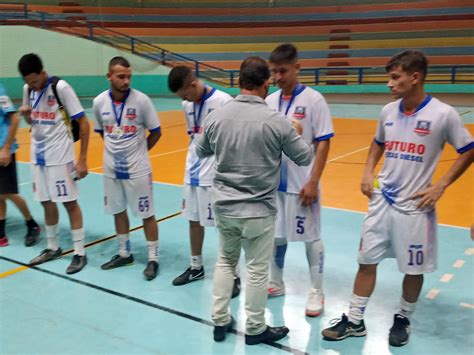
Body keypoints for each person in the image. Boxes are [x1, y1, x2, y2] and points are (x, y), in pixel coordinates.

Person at [322, 49, 474, 347]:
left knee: (412, 269)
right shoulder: (388, 112)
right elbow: (377, 143)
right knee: (366, 261)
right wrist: (367, 172)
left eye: (395, 77)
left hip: (416, 208)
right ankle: (354, 320)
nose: (389, 84)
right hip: (382, 202)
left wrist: (441, 185)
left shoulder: (442, 114)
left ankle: (403, 317)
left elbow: (468, 149)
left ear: (415, 77)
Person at [196, 56, 314, 345]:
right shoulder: (277, 121)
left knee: (225, 261)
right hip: (258, 209)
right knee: (258, 269)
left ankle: (220, 320)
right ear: (266, 84)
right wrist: (296, 132)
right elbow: (305, 157)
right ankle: (255, 327)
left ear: (239, 82)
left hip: (224, 205)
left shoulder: (217, 116)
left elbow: (201, 151)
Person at [265, 43, 334, 317]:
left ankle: (317, 291)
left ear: (297, 68)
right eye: (274, 72)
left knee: (311, 237)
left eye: (283, 71)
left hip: (302, 184)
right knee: (276, 236)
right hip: (274, 185)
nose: (279, 77)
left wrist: (313, 181)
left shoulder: (314, 100)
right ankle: (276, 282)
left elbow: (324, 142)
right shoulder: (270, 101)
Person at [167, 65, 240, 297]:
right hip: (192, 174)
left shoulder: (224, 102)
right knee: (193, 221)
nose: (185, 99)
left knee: (225, 227)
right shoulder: (186, 105)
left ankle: (234, 274)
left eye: (185, 94)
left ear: (193, 84)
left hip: (216, 178)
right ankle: (196, 267)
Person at [18, 53, 90, 274]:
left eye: (35, 80)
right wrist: (27, 116)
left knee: (69, 203)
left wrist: (82, 159)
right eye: (28, 82)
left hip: (60, 156)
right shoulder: (28, 90)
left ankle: (79, 252)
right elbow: (33, 120)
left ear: (43, 72)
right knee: (46, 202)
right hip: (37, 156)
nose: (33, 85)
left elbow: (84, 123)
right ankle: (52, 247)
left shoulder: (61, 88)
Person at [93, 56, 162, 281]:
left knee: (147, 213)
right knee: (117, 210)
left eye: (129, 77)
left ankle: (153, 258)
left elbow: (156, 132)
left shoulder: (142, 101)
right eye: (121, 77)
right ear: (109, 76)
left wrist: (140, 153)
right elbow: (103, 132)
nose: (126, 81)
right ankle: (124, 253)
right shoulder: (99, 102)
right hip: (112, 169)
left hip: (138, 169)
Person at [0, 83, 41, 247]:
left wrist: (6, 148)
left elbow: (15, 118)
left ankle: (32, 224)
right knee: (0, 193)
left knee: (8, 192)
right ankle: (1, 233)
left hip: (3, 149)